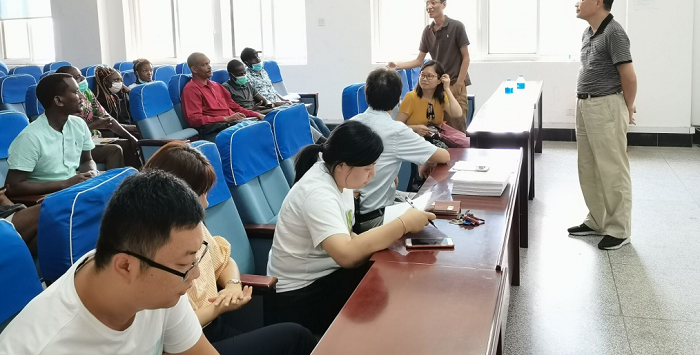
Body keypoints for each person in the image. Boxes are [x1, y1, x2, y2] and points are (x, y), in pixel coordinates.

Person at [0, 170, 218, 354]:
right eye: (184, 265)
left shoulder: (159, 280)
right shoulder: (46, 346)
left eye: (193, 259)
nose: (195, 273)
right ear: (125, 266)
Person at [143, 142, 316, 355]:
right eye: (200, 194)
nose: (205, 203)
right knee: (296, 337)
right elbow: (173, 331)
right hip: (189, 343)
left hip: (215, 327)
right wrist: (219, 306)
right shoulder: (155, 250)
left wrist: (232, 285)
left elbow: (223, 260)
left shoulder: (191, 224)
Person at [268, 120, 436, 335]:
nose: (373, 174)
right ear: (342, 165)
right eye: (367, 168)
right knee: (389, 298)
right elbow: (347, 256)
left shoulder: (339, 177)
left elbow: (348, 236)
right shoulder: (318, 193)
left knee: (394, 278)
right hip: (302, 294)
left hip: (328, 276)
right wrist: (402, 224)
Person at [567, 0, 637, 251]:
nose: (577, 3)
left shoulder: (614, 33)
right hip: (586, 104)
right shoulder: (588, 32)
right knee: (588, 166)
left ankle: (620, 229)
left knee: (612, 168)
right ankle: (597, 220)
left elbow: (629, 77)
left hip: (606, 105)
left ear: (598, 2)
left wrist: (627, 107)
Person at [352, 68, 450, 232]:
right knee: (436, 213)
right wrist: (425, 159)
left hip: (353, 214)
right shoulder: (396, 130)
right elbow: (443, 156)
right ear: (399, 98)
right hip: (375, 218)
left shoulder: (352, 122)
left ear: (366, 94)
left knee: (424, 202)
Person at [387, 0, 471, 132]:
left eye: (433, 3)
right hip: (436, 85)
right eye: (427, 4)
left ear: (444, 4)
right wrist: (397, 65)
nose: (429, 7)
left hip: (454, 83)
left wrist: (458, 84)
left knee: (456, 127)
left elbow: (466, 57)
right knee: (438, 126)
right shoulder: (427, 31)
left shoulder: (456, 26)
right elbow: (419, 60)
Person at [5, 73, 98, 200]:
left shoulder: (79, 124)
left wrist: (91, 173)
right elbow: (13, 187)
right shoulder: (31, 137)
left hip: (75, 192)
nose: (82, 96)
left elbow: (87, 160)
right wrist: (64, 184)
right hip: (48, 199)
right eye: (76, 92)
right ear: (59, 101)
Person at [57, 65, 142, 170]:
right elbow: (68, 134)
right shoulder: (63, 102)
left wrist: (131, 137)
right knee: (114, 150)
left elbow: (107, 119)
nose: (83, 78)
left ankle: (134, 176)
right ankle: (114, 180)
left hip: (94, 138)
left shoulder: (87, 93)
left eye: (81, 75)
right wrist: (94, 125)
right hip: (76, 144)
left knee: (128, 143)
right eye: (78, 77)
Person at [241, 47, 330, 138]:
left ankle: (332, 142)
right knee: (307, 120)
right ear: (246, 62)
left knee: (317, 120)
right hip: (270, 108)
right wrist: (277, 104)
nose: (258, 59)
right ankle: (323, 144)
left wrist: (283, 100)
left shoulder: (263, 72)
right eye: (253, 58)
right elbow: (256, 99)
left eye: (257, 56)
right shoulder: (247, 77)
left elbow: (272, 90)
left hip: (280, 104)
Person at [181, 52, 264, 142]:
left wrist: (257, 114)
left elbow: (236, 107)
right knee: (255, 134)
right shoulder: (191, 90)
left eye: (209, 63)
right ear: (194, 69)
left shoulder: (216, 86)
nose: (209, 67)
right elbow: (194, 120)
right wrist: (225, 119)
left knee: (263, 126)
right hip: (214, 128)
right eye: (205, 65)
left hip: (231, 123)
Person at [396, 60, 462, 137]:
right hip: (414, 138)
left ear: (439, 80)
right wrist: (415, 128)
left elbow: (457, 114)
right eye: (422, 75)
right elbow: (397, 126)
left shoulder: (441, 96)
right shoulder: (411, 97)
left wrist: (447, 89)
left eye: (429, 76)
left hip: (434, 138)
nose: (424, 79)